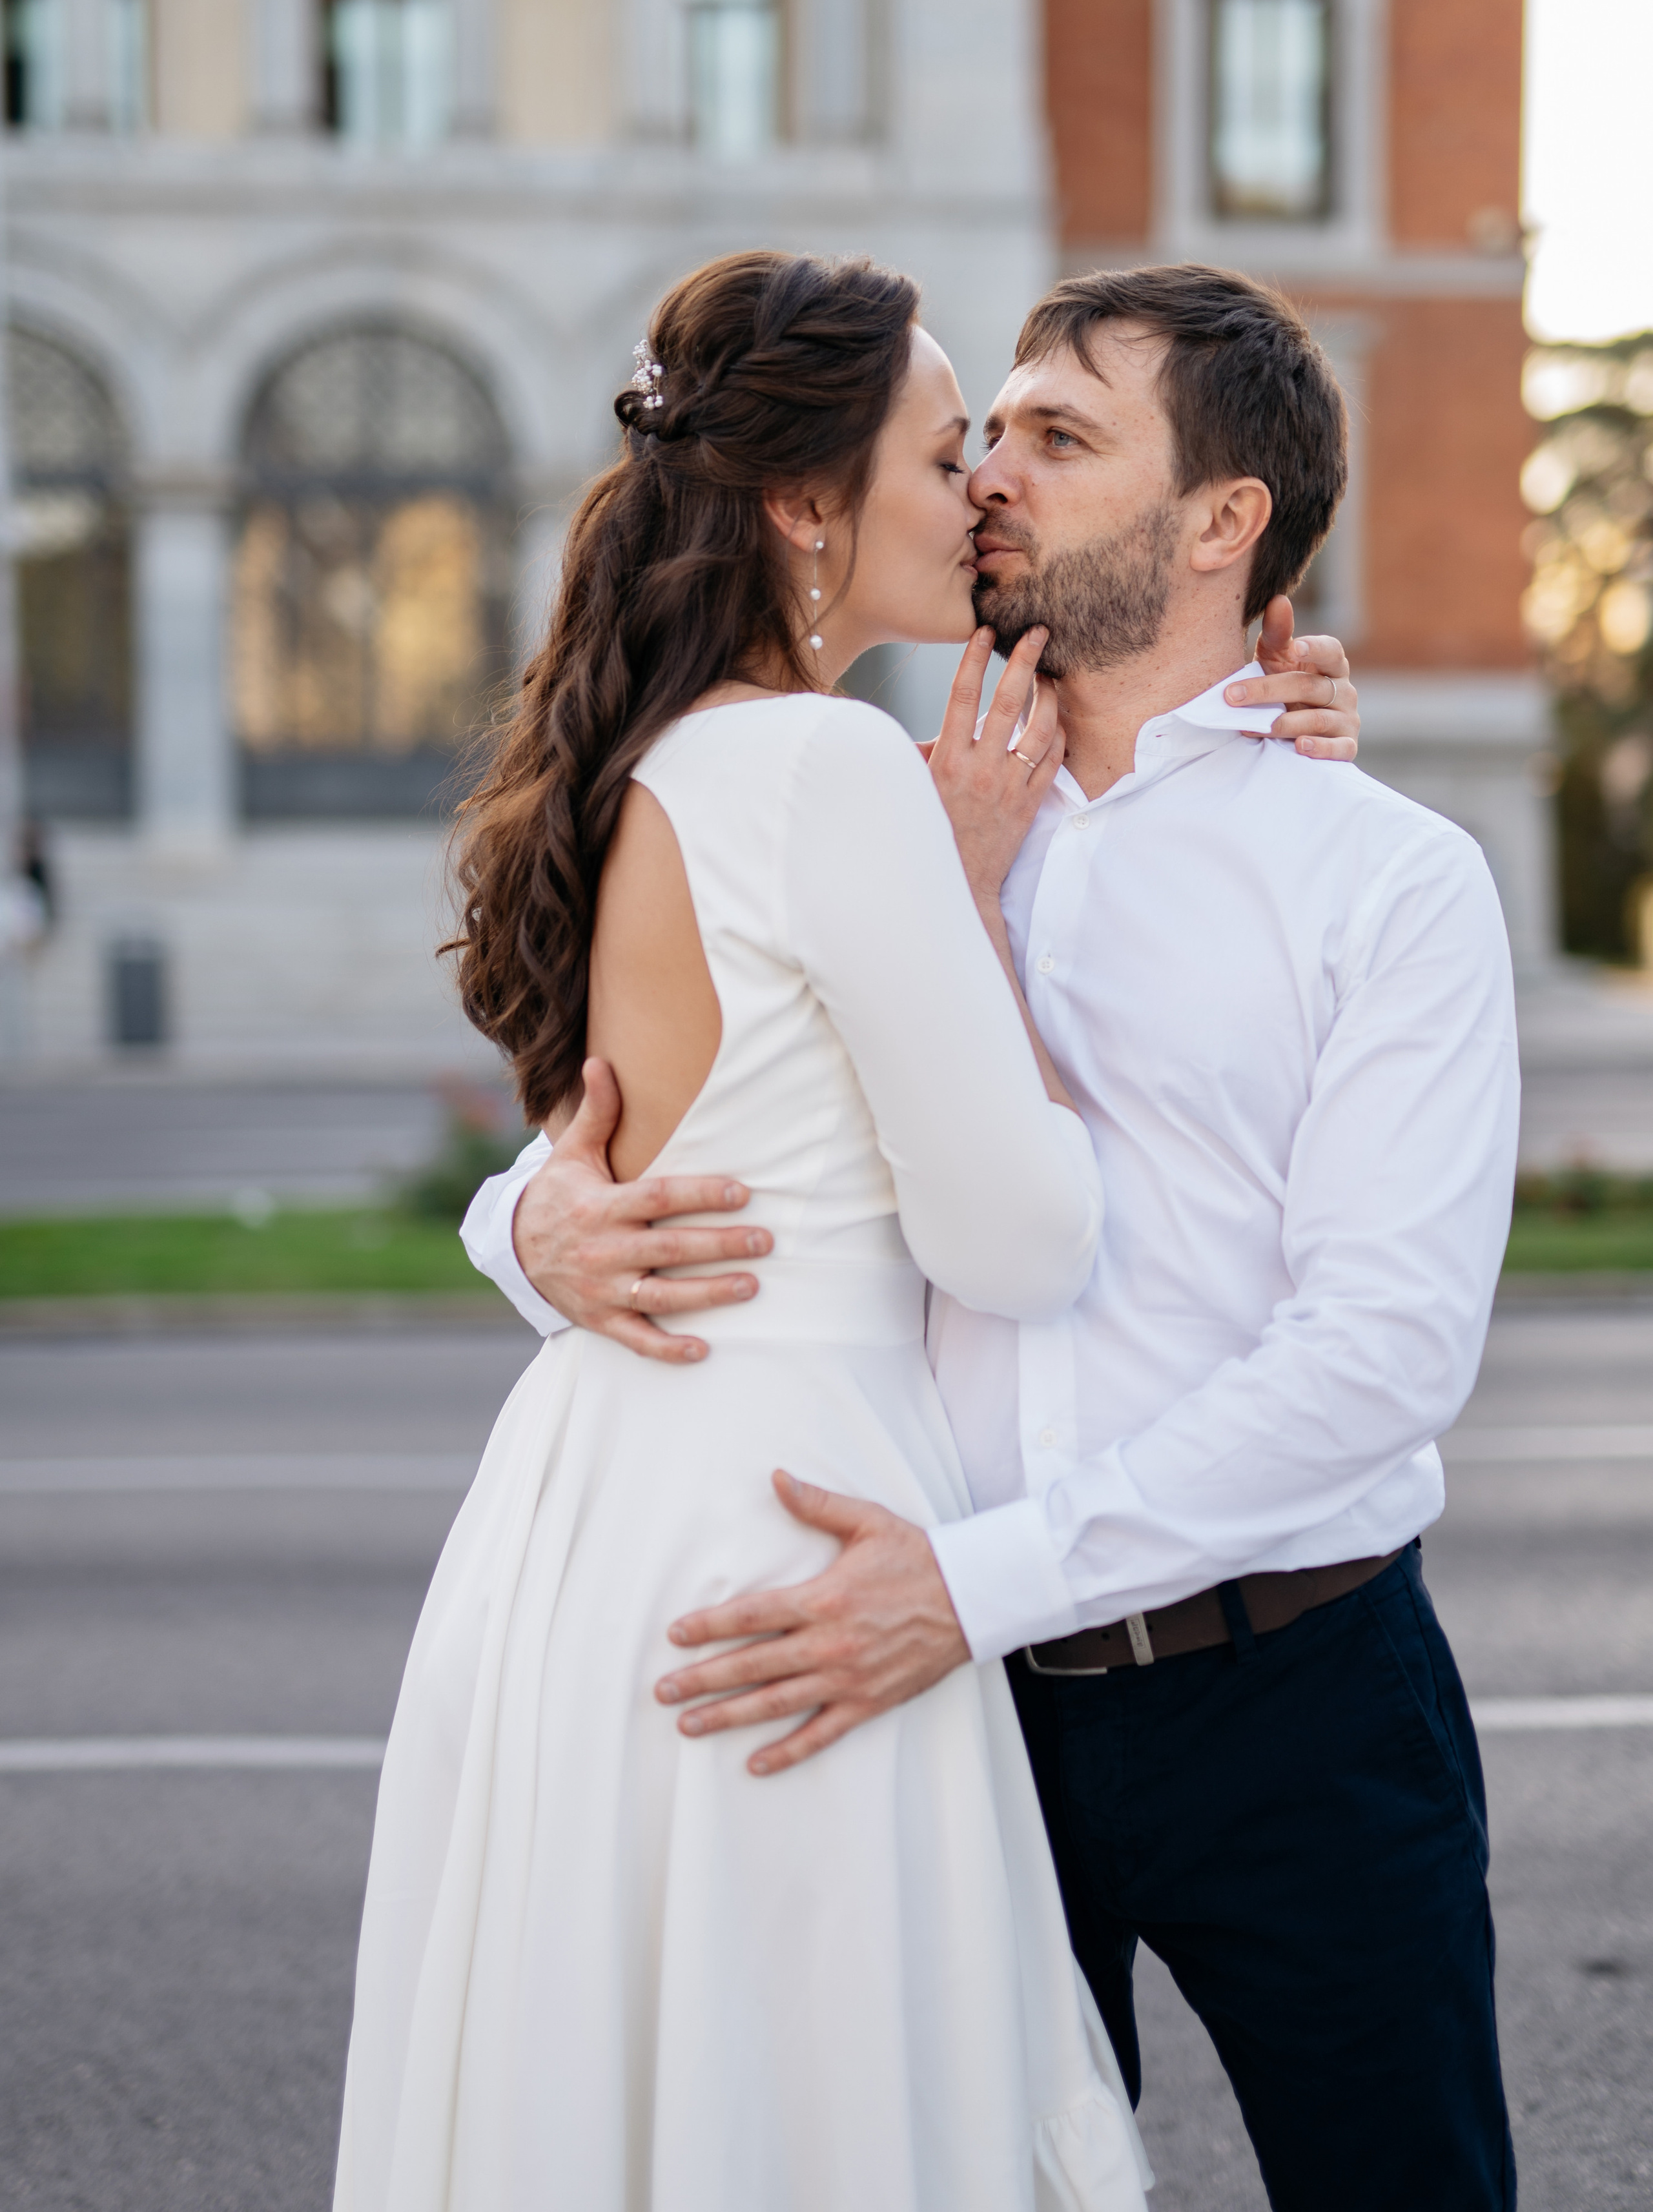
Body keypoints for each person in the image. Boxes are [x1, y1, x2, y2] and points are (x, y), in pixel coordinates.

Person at [465, 264, 1520, 2212]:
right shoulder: (902, 808)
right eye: (983, 433)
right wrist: (531, 1225)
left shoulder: (1383, 874)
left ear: (1223, 526)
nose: (989, 481)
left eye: (1056, 436)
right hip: (959, 1710)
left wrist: (979, 1582)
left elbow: (1381, 1353)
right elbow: (670, 1113)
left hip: (1285, 1693)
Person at [342, 250, 1191, 2212]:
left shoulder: (656, 760)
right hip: (787, 1529)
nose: (977, 480)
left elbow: (605, 1139)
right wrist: (973, 916)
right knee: (803, 2095)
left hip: (588, 1516)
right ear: (807, 506)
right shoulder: (823, 769)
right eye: (939, 443)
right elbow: (1022, 1243)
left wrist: (531, 1215)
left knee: (621, 2072)